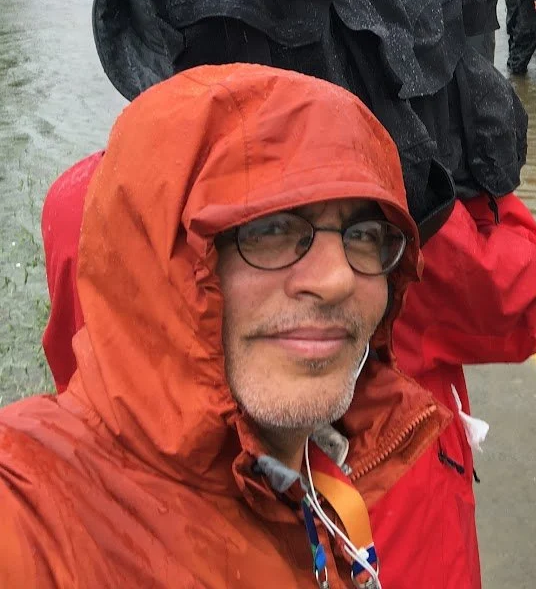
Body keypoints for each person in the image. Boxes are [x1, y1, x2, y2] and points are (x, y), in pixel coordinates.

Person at [39, 0, 536, 589]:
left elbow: (86, 391)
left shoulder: (81, 200)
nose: (328, 277)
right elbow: (512, 311)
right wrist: (472, 164)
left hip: (169, 542)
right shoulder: (386, 187)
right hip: (395, 528)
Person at [1, 64, 459, 585]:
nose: (337, 279)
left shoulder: (320, 485)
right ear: (158, 265)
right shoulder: (32, 509)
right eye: (269, 229)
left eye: (364, 232)